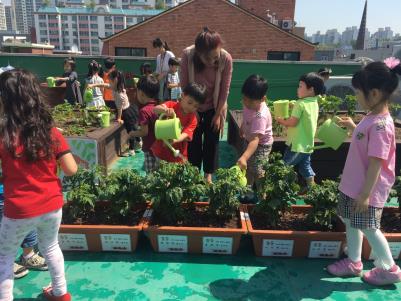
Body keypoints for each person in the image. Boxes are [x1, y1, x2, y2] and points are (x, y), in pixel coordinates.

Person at [0, 69, 78, 301]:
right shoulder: (51, 133)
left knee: (4, 257)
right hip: (52, 205)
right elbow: (71, 169)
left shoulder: (4, 136)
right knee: (51, 247)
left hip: (18, 210)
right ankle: (60, 293)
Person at [327, 58, 401, 286]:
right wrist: (352, 127)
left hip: (365, 189)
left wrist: (366, 195)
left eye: (359, 93)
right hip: (354, 185)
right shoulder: (372, 118)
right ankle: (354, 262)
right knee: (350, 221)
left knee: (369, 227)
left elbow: (377, 163)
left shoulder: (381, 126)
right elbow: (363, 140)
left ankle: (389, 268)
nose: (357, 96)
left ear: (375, 94)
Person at [180, 27, 233, 183]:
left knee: (212, 141)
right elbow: (184, 86)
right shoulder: (187, 55)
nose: (212, 62)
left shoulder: (226, 58)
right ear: (198, 52)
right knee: (193, 141)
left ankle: (208, 175)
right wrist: (192, 111)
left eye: (215, 57)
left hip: (215, 106)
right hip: (192, 105)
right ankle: (194, 174)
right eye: (208, 58)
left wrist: (217, 115)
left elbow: (225, 90)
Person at [275, 72, 324, 191]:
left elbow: (293, 122)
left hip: (297, 144)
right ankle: (313, 190)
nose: (298, 89)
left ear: (311, 89)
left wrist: (281, 120)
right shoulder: (314, 102)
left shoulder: (300, 104)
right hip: (308, 144)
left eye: (300, 86)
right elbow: (304, 118)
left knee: (284, 167)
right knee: (305, 167)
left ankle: (281, 190)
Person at [88, 70, 141, 156]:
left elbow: (119, 108)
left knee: (130, 131)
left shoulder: (118, 94)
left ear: (115, 81)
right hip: (130, 109)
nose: (108, 82)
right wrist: (93, 85)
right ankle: (139, 142)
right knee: (134, 128)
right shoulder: (117, 87)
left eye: (110, 80)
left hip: (126, 112)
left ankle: (131, 150)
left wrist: (119, 118)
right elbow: (104, 85)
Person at [152, 83, 207, 164]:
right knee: (159, 174)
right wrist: (164, 110)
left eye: (196, 106)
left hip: (177, 156)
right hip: (160, 151)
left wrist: (173, 140)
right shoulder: (171, 105)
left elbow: (185, 134)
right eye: (190, 103)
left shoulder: (193, 119)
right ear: (182, 95)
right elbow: (155, 109)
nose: (192, 107)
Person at [0, 190, 48, 279]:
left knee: (28, 218)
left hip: (18, 189)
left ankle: (28, 256)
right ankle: (4, 261)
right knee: (4, 228)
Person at [237, 75, 273, 190]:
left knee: (258, 170)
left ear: (263, 99)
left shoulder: (260, 115)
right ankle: (248, 191)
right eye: (244, 98)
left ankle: (263, 194)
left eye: (250, 101)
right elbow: (247, 116)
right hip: (250, 140)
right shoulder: (249, 102)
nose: (246, 102)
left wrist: (244, 157)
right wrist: (243, 126)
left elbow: (255, 140)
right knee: (247, 167)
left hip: (262, 145)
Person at [129, 75, 160, 172]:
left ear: (141, 93)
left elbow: (144, 132)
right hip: (160, 148)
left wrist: (132, 134)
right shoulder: (158, 106)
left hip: (150, 149)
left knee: (151, 176)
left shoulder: (144, 111)